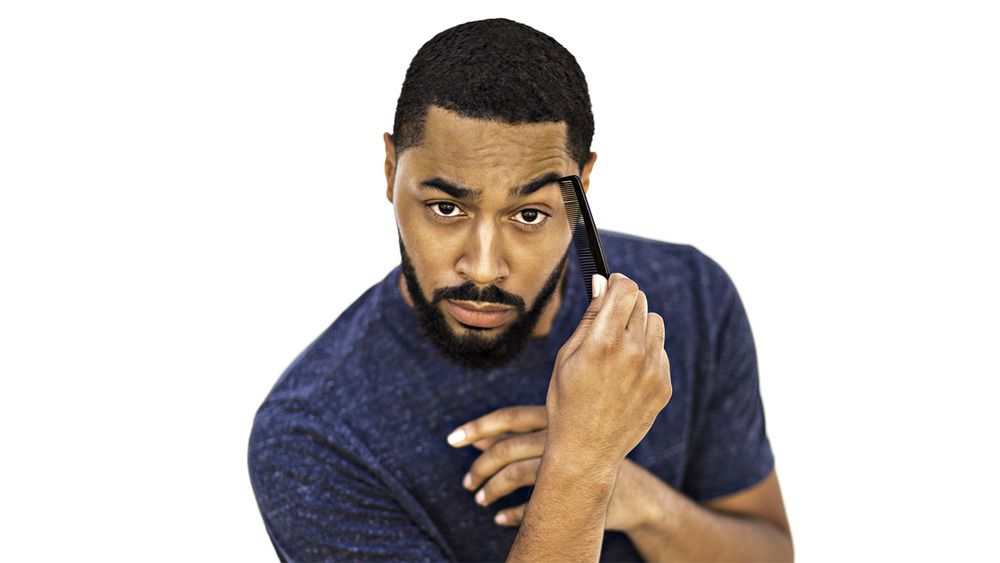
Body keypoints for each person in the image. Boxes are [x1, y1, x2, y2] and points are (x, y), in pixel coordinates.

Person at [247, 17, 793, 562]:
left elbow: (770, 552)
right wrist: (581, 466)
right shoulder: (313, 436)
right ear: (390, 171)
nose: (484, 269)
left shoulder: (692, 294)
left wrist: (640, 500)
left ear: (581, 187)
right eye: (446, 208)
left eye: (529, 214)